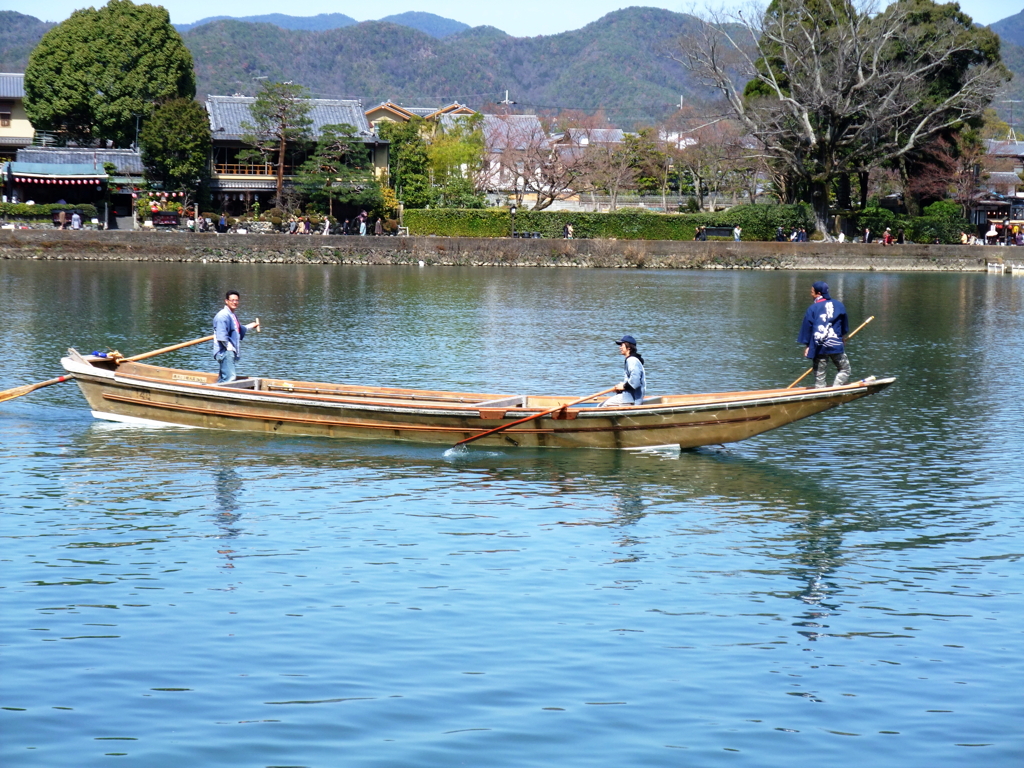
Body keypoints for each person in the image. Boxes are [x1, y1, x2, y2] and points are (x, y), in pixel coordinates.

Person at [797, 281, 851, 388]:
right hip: (835, 343)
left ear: (818, 293)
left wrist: (808, 346)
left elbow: (807, 328)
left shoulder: (813, 308)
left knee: (819, 375)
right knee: (845, 369)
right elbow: (843, 324)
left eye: (812, 292)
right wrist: (843, 336)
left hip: (819, 346)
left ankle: (821, 391)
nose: (811, 294)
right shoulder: (839, 305)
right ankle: (836, 388)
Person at [212, 291, 258, 384]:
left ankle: (216, 391)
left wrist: (251, 326)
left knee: (224, 379)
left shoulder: (232, 315)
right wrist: (230, 349)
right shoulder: (223, 316)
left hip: (229, 351)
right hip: (225, 352)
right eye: (232, 300)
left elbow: (237, 330)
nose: (234, 302)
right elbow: (222, 337)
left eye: (236, 300)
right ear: (226, 301)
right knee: (230, 379)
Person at [602, 335, 646, 406]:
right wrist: (620, 389)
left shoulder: (632, 360)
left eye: (622, 345)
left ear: (628, 347)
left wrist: (624, 386)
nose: (620, 347)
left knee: (603, 405)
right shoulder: (631, 360)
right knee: (604, 403)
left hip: (631, 399)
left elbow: (635, 381)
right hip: (629, 396)